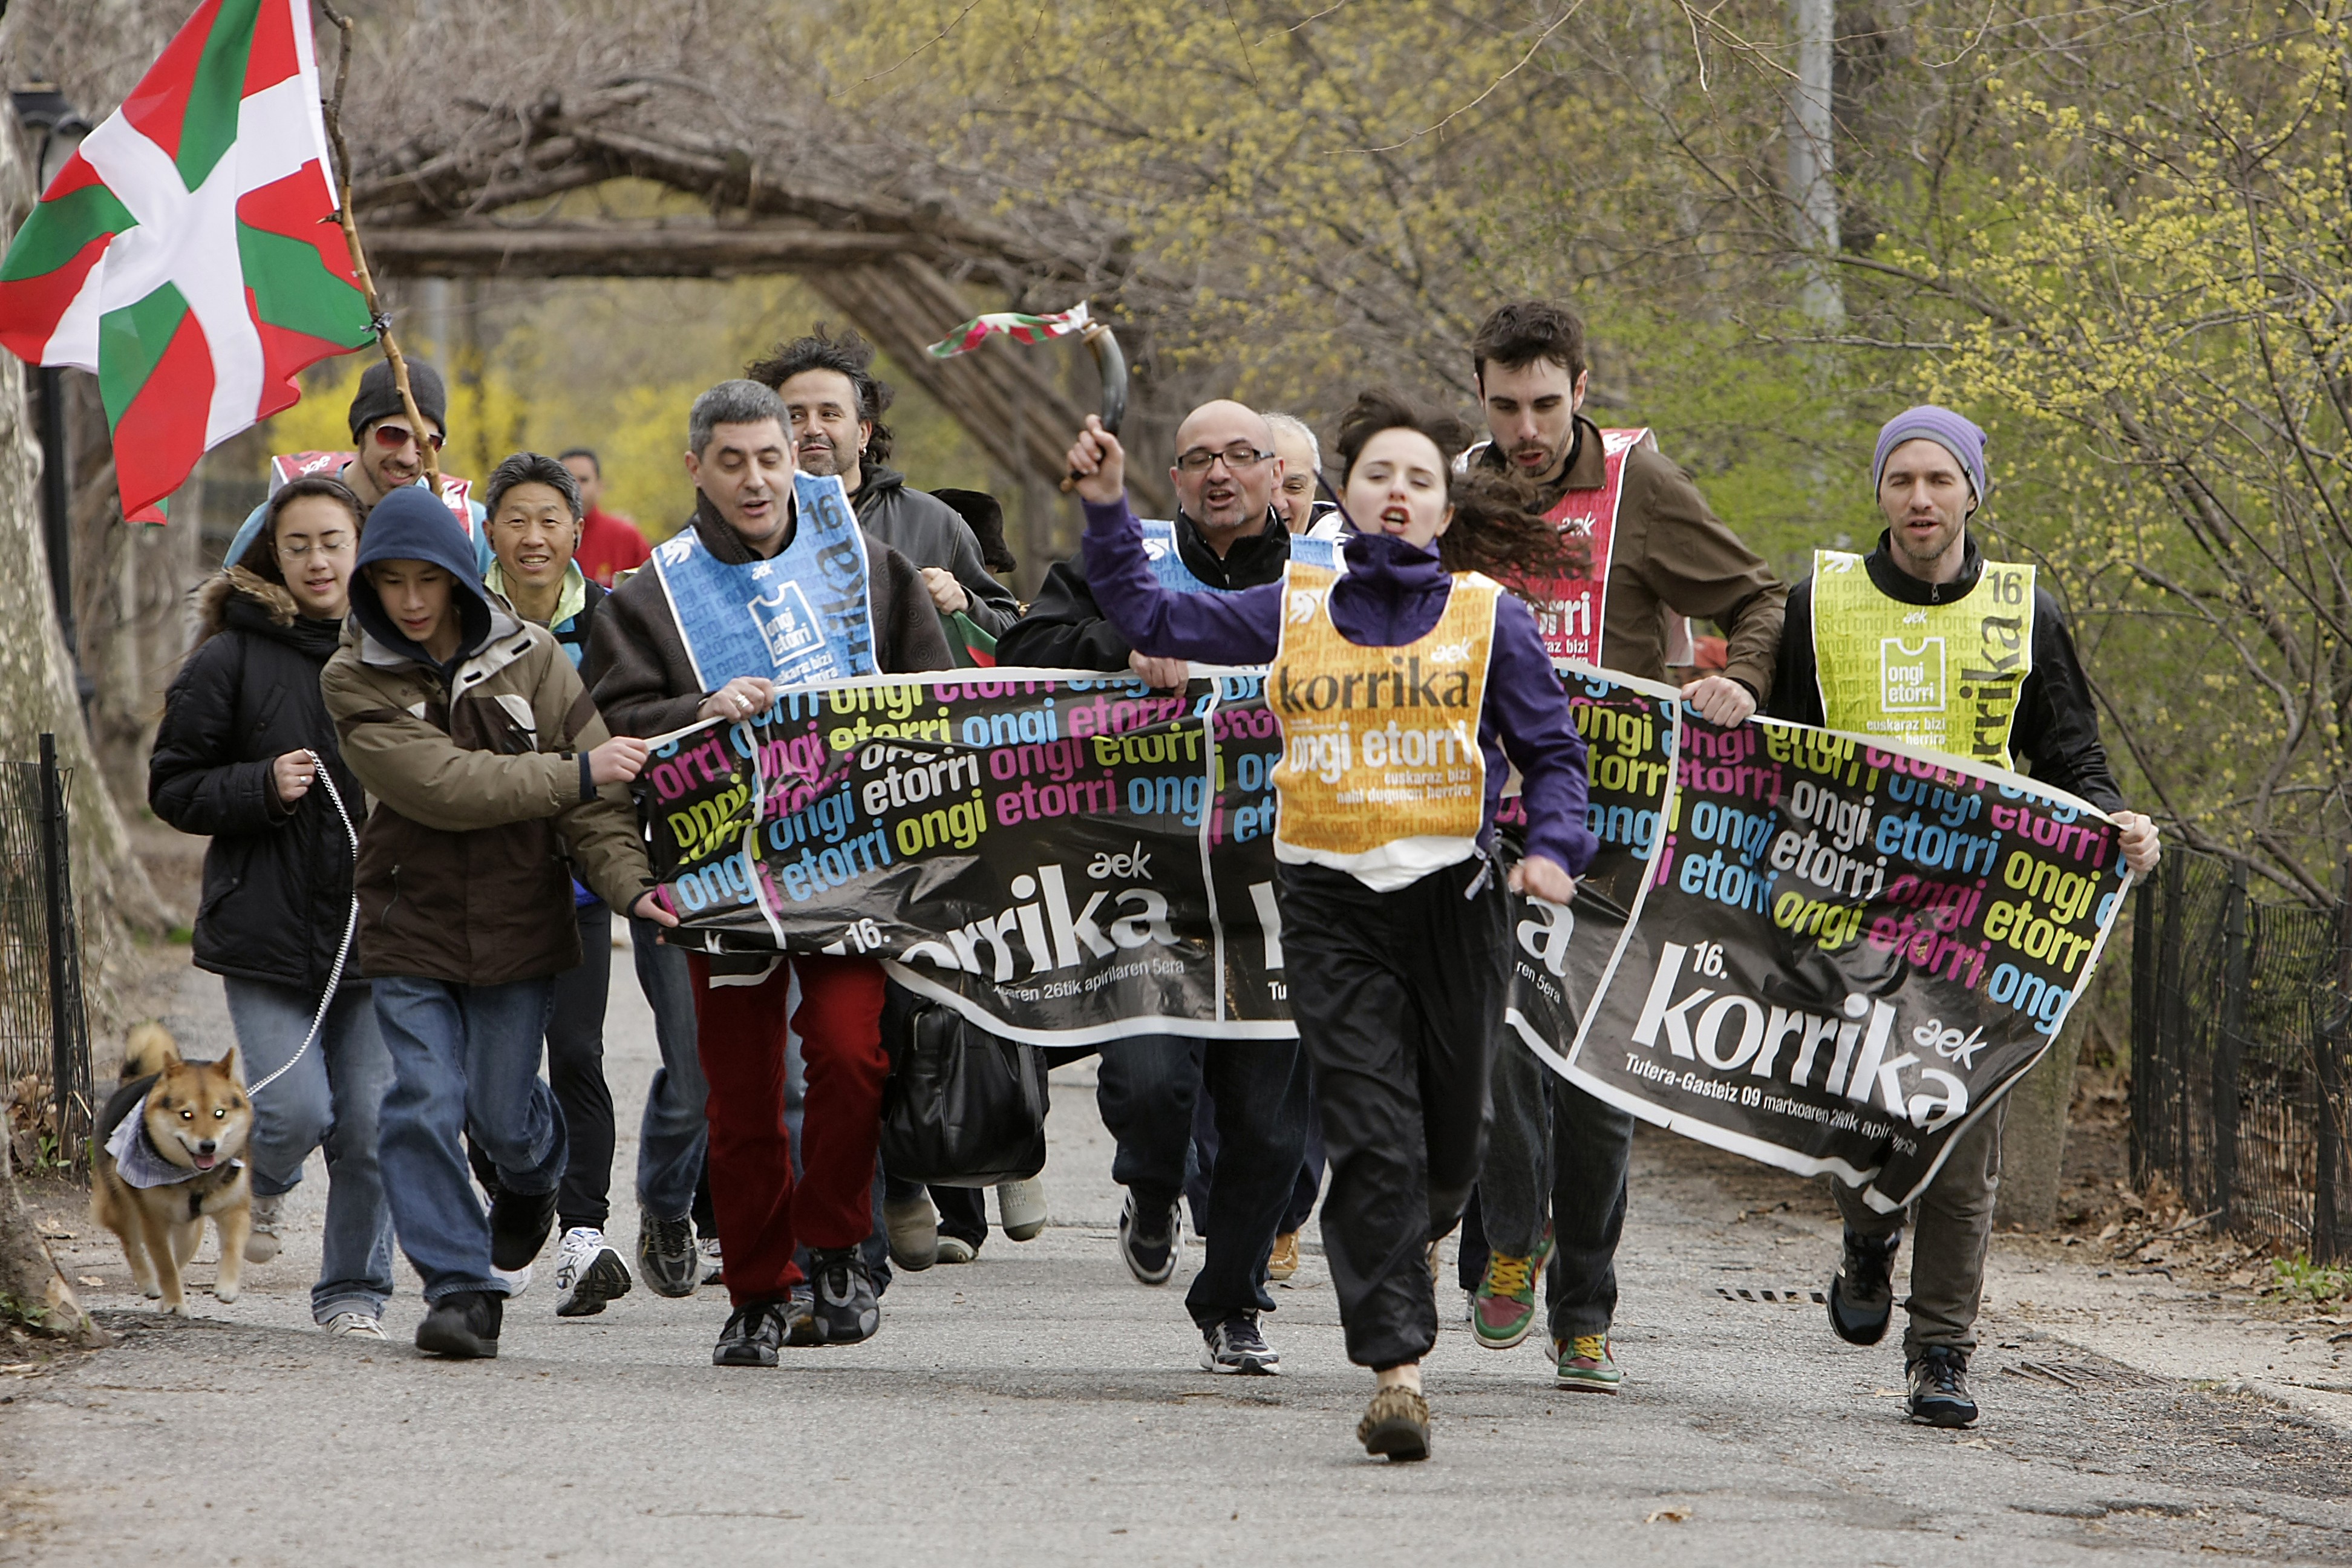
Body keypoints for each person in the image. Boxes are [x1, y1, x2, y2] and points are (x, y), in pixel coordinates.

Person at [1068, 388, 1596, 1459]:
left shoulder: (1488, 615)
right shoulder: (1294, 599)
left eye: (1418, 480)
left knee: (1447, 1145)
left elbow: (1552, 759)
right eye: (1376, 476)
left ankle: (1427, 1213)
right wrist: (1108, 509)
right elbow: (1156, 618)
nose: (1396, 492)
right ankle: (1394, 1371)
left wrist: (1549, 849)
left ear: (1443, 509)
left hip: (1454, 905)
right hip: (1326, 907)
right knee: (1369, 1134)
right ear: (1341, 500)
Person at [1768, 405, 2162, 1429]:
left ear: (1971, 491)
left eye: (1938, 479)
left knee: (1959, 1128)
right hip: (1850, 908)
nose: (1918, 499)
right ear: (1880, 491)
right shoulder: (1822, 602)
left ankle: (1939, 1351)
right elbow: (1773, 757)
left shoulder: (2025, 613)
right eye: (1900, 479)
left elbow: (2071, 759)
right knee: (1870, 1112)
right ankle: (1866, 1230)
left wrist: (2116, 821)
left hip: (1982, 913)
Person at [587, 379, 952, 1368]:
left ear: (799, 460)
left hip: (850, 866)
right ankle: (754, 1292)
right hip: (719, 872)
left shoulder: (872, 570)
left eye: (771, 458)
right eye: (733, 460)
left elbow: (936, 704)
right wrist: (701, 707)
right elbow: (613, 726)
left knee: (848, 1056)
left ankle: (835, 1247)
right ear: (695, 467)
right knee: (740, 1093)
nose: (754, 479)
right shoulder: (647, 594)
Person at [1462, 299, 1789, 1393]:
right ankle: (1512, 1234)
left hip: (1617, 828)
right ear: (1480, 399)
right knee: (1504, 1045)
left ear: (1582, 389)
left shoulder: (1637, 484)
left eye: (1545, 404)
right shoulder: (1461, 489)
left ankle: (1585, 1315)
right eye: (1504, 405)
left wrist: (1734, 680)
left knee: (1594, 1080)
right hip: (1491, 816)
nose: (1525, 429)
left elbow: (1755, 596)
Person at [998, 399, 1313, 1379]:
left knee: (1267, 1125)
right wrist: (1115, 653)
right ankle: (1149, 1186)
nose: (1220, 474)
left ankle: (1232, 1303)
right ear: (1172, 479)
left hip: (1275, 890)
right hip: (1144, 882)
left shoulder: (1325, 586)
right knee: (1148, 1084)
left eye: (1240, 457)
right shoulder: (1123, 561)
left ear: (1278, 477)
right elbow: (1018, 659)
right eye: (1197, 460)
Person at [321, 487, 673, 1361]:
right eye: (390, 582)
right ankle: (460, 1289)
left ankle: (531, 1176)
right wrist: (577, 773)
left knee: (503, 1120)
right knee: (422, 1106)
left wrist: (631, 889)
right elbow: (445, 787)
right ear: (368, 588)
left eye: (426, 580)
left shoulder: (539, 658)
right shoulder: (354, 677)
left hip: (522, 925)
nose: (410, 600)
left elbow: (598, 811)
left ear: (455, 578)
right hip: (413, 923)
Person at [148, 475, 395, 1340]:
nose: (319, 561)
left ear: (361, 545)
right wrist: (260, 784)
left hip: (379, 932)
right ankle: (251, 1182)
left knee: (367, 1124)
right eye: (299, 546)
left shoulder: (401, 646)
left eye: (333, 541)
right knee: (296, 1111)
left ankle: (355, 1292)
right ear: (270, 556)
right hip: (267, 928)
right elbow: (171, 786)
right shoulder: (230, 658)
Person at [476, 452, 636, 1318]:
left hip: (578, 882)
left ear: (579, 530)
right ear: (490, 530)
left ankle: (584, 1232)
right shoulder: (458, 623)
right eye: (516, 520)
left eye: (551, 521)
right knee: (486, 1079)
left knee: (576, 1053)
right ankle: (513, 1198)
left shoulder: (614, 622)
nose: (534, 537)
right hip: (485, 885)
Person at [749, 327, 1020, 638]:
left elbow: (1015, 638)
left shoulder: (935, 523)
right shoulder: (745, 526)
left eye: (829, 414)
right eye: (795, 416)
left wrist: (967, 603)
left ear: (864, 432)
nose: (812, 428)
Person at [226, 359, 491, 573]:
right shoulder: (289, 512)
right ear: (361, 432)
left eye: (427, 442)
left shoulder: (468, 524)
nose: (408, 457)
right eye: (392, 435)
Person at [558, 448, 652, 588]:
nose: (575, 488)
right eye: (568, 480)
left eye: (583, 480)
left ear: (600, 487)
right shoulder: (541, 537)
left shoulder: (626, 537)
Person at [1264, 412, 1340, 539]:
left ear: (1313, 490)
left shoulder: (1350, 555)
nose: (1278, 504)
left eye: (1293, 487)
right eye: (1265, 488)